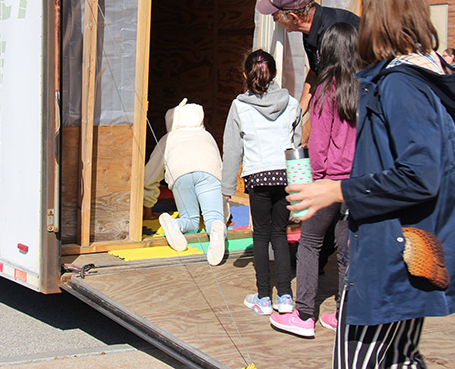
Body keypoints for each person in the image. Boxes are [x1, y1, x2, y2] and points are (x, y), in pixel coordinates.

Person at [285, 0, 455, 367]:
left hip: (393, 252)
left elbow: (419, 174)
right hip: (413, 247)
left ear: (377, 17)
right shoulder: (425, 76)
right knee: (397, 358)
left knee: (359, 361)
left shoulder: (403, 84)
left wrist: (338, 189)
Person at [270, 22, 359, 338]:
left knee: (309, 244)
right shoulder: (364, 89)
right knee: (346, 250)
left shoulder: (326, 90)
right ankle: (345, 315)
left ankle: (304, 314)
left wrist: (309, 183)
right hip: (355, 185)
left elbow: (320, 146)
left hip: (326, 182)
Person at [222, 49, 301, 315]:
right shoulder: (291, 103)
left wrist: (227, 187)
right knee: (280, 234)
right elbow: (297, 143)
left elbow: (233, 148)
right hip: (284, 174)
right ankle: (286, 297)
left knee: (260, 235)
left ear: (245, 75)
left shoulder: (239, 106)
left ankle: (264, 297)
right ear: (275, 73)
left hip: (258, 176)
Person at [256, 0, 360, 117]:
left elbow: (336, 90)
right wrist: (298, 112)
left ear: (293, 17)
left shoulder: (334, 33)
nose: (274, 20)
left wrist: (302, 134)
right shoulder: (309, 31)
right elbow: (316, 71)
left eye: (275, 15)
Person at [145, 98, 226, 266]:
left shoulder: (169, 138)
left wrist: (148, 206)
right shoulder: (207, 136)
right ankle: (217, 228)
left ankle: (175, 224)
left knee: (191, 221)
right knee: (214, 218)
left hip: (180, 174)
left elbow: (150, 176)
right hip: (209, 173)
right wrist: (225, 211)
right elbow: (220, 168)